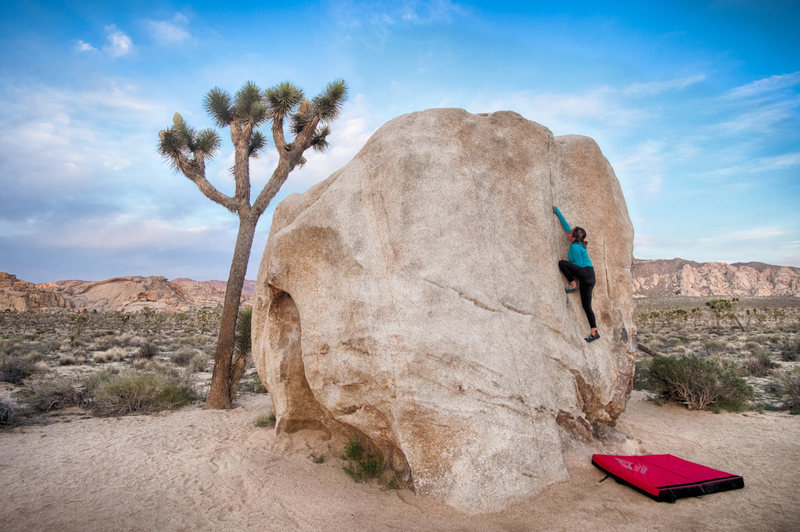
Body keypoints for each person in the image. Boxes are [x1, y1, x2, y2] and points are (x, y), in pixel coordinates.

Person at [553, 206, 600, 342]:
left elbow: (578, 266)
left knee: (562, 263)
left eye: (570, 233)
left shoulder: (575, 248)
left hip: (585, 273)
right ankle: (594, 331)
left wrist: (572, 275)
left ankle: (573, 285)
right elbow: (566, 226)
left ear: (573, 238)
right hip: (590, 278)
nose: (568, 233)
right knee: (586, 305)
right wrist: (557, 211)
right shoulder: (576, 241)